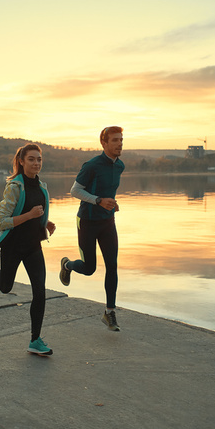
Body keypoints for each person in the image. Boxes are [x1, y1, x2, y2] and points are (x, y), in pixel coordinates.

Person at [0, 143, 56, 355]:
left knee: (40, 291)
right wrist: (30, 216)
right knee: (6, 287)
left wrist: (45, 223)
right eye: (32, 159)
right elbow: (3, 221)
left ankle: (35, 340)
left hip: (33, 246)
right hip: (13, 246)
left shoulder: (42, 187)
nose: (36, 163)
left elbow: (37, 213)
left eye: (39, 159)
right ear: (22, 162)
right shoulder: (14, 187)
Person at [59, 126, 124, 331]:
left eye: (121, 139)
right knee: (89, 268)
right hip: (87, 221)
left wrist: (112, 203)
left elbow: (108, 192)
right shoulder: (92, 165)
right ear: (104, 143)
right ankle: (67, 265)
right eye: (114, 140)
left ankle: (109, 312)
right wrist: (97, 200)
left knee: (112, 265)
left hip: (107, 222)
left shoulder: (120, 165)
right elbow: (75, 190)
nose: (119, 143)